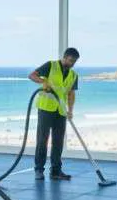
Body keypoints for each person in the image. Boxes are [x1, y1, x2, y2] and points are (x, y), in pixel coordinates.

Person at [28, 47, 80, 180]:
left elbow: (71, 94)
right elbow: (32, 75)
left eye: (74, 62)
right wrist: (43, 81)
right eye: (70, 60)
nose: (71, 64)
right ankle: (39, 170)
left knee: (58, 142)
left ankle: (56, 171)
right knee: (42, 140)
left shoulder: (73, 75)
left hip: (61, 111)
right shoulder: (51, 65)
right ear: (64, 57)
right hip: (46, 109)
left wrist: (70, 110)